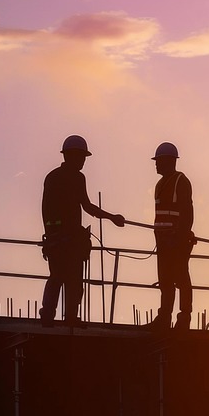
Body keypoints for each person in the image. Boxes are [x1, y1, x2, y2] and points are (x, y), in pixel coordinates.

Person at [40, 135, 125, 327]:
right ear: (71, 156)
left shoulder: (55, 177)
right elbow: (86, 206)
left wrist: (50, 236)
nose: (84, 161)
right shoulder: (74, 178)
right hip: (65, 240)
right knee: (70, 280)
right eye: (82, 157)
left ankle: (49, 316)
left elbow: (46, 210)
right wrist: (111, 217)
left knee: (60, 279)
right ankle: (66, 317)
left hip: (60, 239)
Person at [146, 142, 195, 330]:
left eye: (159, 161)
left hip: (177, 240)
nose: (156, 164)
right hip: (163, 241)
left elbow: (187, 213)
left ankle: (184, 318)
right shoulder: (159, 185)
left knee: (181, 278)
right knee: (165, 280)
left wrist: (182, 237)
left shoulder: (181, 181)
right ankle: (164, 317)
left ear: (169, 161)